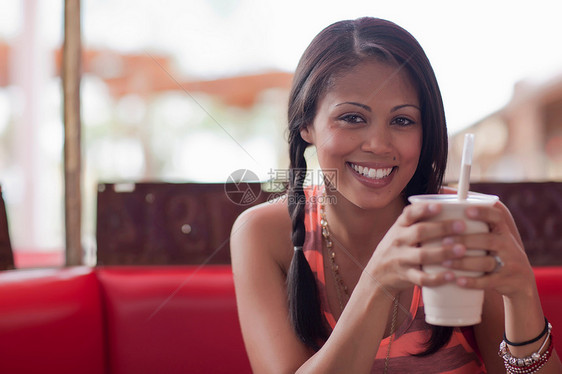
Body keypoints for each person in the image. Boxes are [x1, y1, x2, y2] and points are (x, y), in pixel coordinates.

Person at [230, 17, 561, 373]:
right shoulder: (263, 234)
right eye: (353, 118)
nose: (378, 145)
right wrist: (380, 281)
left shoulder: (468, 223)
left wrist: (523, 295)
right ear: (306, 124)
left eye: (402, 121)